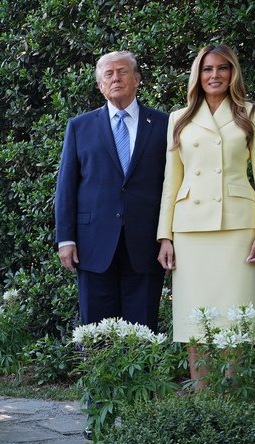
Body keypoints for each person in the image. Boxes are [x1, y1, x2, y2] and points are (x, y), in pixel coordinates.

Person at [156, 44, 255, 385]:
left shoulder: (251, 112)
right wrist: (165, 235)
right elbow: (171, 181)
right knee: (195, 319)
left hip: (237, 227)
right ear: (198, 74)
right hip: (190, 229)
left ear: (232, 73)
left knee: (233, 322)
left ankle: (230, 401)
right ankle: (204, 398)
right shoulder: (179, 118)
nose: (215, 75)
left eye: (222, 68)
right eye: (208, 69)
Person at [55, 51, 169, 333]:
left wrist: (169, 236)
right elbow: (66, 186)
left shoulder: (165, 124)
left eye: (123, 71)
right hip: (92, 245)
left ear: (137, 79)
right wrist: (65, 238)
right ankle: (99, 378)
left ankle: (140, 379)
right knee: (96, 331)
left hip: (146, 243)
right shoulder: (79, 127)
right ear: (100, 85)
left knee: (142, 330)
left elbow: (172, 184)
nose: (116, 78)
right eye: (108, 74)